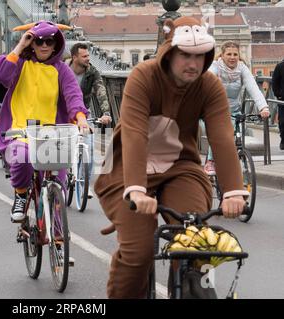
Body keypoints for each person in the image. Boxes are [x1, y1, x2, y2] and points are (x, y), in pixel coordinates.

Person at [94, 17, 249, 299]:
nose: (193, 63)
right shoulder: (144, 76)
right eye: (185, 55)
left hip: (181, 168)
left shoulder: (209, 86)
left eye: (200, 56)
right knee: (138, 252)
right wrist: (137, 189)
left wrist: (234, 191)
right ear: (169, 53)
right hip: (125, 169)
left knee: (194, 247)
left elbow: (223, 137)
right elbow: (135, 134)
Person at [0, 20, 89, 222]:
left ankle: (58, 240)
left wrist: (80, 118)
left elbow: (73, 95)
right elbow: (0, 74)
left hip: (53, 133)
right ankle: (20, 194)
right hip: (20, 130)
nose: (44, 45)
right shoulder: (20, 64)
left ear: (57, 44)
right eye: (39, 41)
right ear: (32, 44)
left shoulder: (62, 70)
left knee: (57, 190)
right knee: (22, 157)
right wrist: (20, 45)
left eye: (50, 42)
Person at [203, 41, 270, 174]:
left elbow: (253, 88)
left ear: (239, 56)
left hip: (234, 109)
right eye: (229, 54)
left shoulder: (242, 68)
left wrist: (263, 107)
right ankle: (211, 161)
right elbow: (207, 80)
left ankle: (235, 162)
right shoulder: (216, 66)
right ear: (222, 55)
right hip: (216, 108)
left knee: (234, 137)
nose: (232, 57)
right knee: (218, 133)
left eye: (235, 54)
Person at [68, 43, 112, 198]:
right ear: (74, 57)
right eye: (85, 56)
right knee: (61, 149)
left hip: (84, 114)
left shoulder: (92, 72)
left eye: (88, 55)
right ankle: (62, 176)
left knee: (90, 148)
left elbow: (101, 91)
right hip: (64, 114)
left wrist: (106, 112)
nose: (88, 58)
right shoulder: (63, 71)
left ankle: (83, 183)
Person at [272, 58, 284, 150]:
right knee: (283, 121)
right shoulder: (280, 66)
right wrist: (279, 95)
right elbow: (274, 82)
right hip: (283, 100)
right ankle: (283, 140)